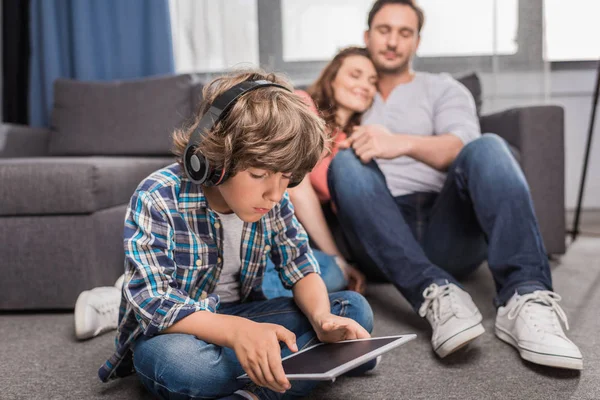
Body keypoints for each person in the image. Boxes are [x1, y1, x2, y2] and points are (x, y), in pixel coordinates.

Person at [327, 0, 583, 370]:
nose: (393, 42)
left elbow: (462, 146)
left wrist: (400, 142)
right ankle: (436, 294)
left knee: (489, 146)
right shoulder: (350, 92)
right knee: (346, 163)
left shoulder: (441, 88)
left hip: (447, 227)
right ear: (367, 36)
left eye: (405, 33)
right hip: (379, 234)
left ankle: (526, 296)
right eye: (384, 30)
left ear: (417, 41)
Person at [97, 69, 376, 400]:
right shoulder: (158, 195)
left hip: (244, 311)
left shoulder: (275, 200)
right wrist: (236, 332)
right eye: (259, 174)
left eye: (287, 178)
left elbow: (300, 265)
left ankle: (254, 388)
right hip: (181, 329)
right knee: (183, 367)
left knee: (354, 311)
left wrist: (321, 318)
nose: (274, 193)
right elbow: (152, 301)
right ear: (213, 161)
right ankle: (299, 366)